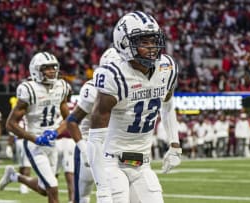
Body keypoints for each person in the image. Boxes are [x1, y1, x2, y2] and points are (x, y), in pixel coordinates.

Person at [86, 11, 182, 202]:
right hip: (112, 162)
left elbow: (168, 105)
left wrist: (175, 144)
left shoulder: (167, 68)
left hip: (143, 163)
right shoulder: (114, 75)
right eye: (143, 42)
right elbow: (95, 137)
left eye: (154, 40)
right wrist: (102, 186)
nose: (152, 47)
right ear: (124, 44)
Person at [0, 51, 70, 203]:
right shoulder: (29, 90)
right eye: (47, 68)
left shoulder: (61, 86)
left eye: (54, 67)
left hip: (51, 142)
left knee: (45, 190)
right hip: (33, 143)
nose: (52, 71)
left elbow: (68, 118)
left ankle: (14, 176)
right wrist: (36, 139)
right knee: (53, 187)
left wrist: (56, 133)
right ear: (36, 70)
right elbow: (10, 124)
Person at [66, 47, 120, 203]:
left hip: (113, 148)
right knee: (83, 197)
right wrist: (84, 150)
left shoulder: (129, 86)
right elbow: (72, 121)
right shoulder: (92, 88)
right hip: (91, 145)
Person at [55, 85, 75, 203]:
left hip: (58, 140)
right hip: (69, 140)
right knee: (69, 172)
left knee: (54, 173)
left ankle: (54, 199)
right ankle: (71, 200)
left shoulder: (55, 105)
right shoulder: (75, 106)